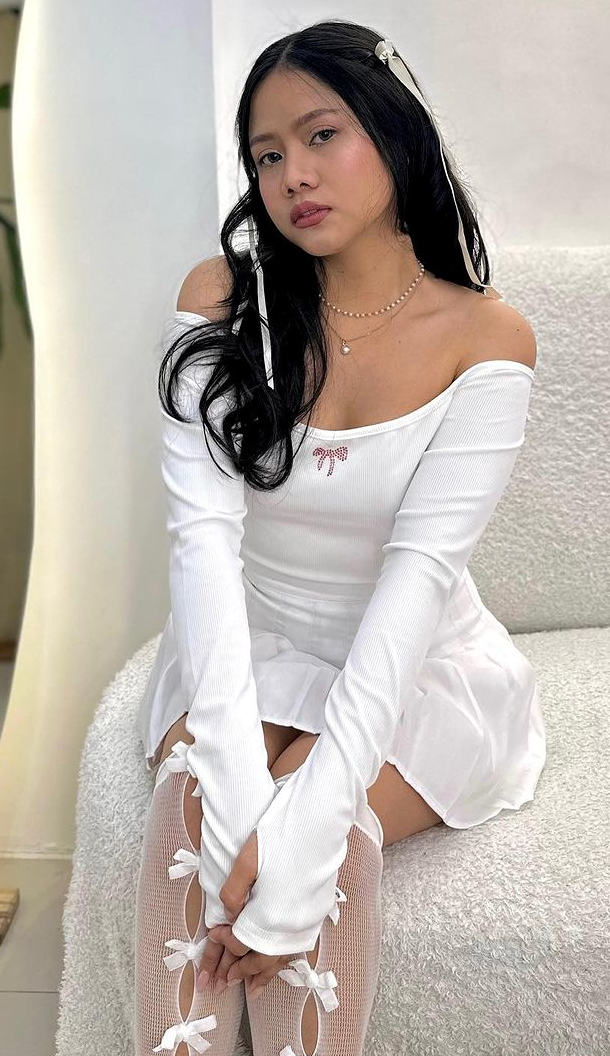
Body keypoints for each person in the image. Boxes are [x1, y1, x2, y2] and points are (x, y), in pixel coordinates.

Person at [134, 19, 546, 1056]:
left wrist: (302, 830)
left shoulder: (485, 338)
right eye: (268, 155)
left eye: (321, 135)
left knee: (326, 847)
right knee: (195, 813)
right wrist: (236, 788)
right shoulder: (221, 301)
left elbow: (416, 585)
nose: (294, 176)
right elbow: (201, 549)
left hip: (414, 666)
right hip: (251, 643)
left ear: (393, 131)